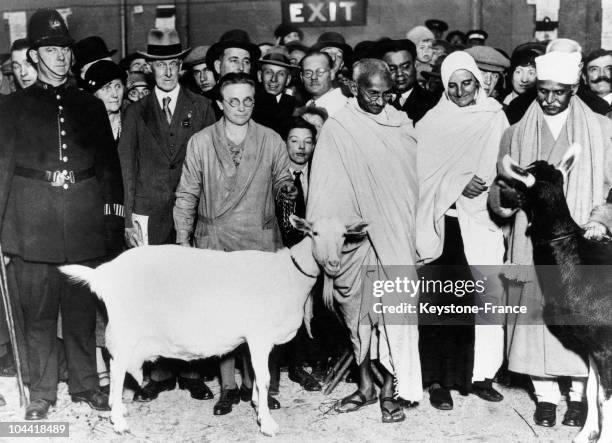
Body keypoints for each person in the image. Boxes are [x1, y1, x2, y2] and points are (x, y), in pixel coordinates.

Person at [0, 8, 118, 420]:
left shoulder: (90, 106)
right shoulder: (12, 108)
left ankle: (87, 386)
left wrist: (111, 224)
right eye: (51, 50)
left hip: (84, 224)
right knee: (38, 317)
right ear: (34, 56)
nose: (61, 57)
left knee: (82, 313)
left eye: (64, 49)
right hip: (32, 226)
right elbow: (1, 171)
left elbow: (109, 170)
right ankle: (42, 394)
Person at [488, 50, 612, 428]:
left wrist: (601, 219)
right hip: (533, 245)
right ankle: (544, 395)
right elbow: (499, 189)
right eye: (543, 91)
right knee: (533, 315)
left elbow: (610, 189)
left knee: (584, 318)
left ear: (575, 88)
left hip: (582, 247)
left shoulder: (603, 130)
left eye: (559, 91)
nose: (550, 99)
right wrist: (507, 198)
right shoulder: (515, 131)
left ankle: (578, 396)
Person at [307, 58, 422, 423]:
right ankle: (365, 388)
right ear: (353, 88)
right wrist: (345, 226)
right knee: (357, 318)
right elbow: (325, 188)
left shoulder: (402, 125)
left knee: (392, 316)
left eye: (387, 94)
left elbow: (410, 186)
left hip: (392, 236)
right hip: (354, 240)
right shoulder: (339, 129)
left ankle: (390, 391)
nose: (380, 101)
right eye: (372, 93)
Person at [173, 72, 295, 415]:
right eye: (233, 100)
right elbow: (186, 196)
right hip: (216, 242)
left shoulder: (271, 140)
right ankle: (228, 387)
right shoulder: (200, 142)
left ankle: (260, 386)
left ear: (254, 102)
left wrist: (288, 190)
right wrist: (183, 242)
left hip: (259, 242)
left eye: (247, 100)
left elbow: (284, 181)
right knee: (222, 317)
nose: (240, 107)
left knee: (262, 318)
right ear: (219, 103)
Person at [118, 28, 216, 402]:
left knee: (191, 290)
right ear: (150, 67)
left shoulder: (200, 106)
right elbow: (127, 167)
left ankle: (191, 370)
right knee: (154, 291)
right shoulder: (135, 110)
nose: (167, 71)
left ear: (181, 66)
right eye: (160, 65)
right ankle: (158, 371)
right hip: (149, 211)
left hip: (189, 211)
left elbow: (208, 164)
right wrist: (128, 219)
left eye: (174, 64)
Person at [416, 51, 508, 410]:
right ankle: (438, 380)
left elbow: (500, 166)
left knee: (487, 299)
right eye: (451, 85)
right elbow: (420, 175)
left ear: (477, 81)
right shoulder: (431, 122)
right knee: (441, 302)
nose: (459, 91)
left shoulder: (494, 116)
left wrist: (479, 182)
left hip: (482, 222)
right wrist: (458, 180)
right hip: (443, 223)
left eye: (466, 83)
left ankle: (480, 375)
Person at [376, 39, 437, 124]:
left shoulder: (433, 103)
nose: (399, 74)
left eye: (405, 66)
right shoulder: (374, 102)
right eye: (392, 69)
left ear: (415, 65)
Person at [206, 29, 261, 118]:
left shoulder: (263, 101)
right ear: (218, 66)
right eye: (234, 61)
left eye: (246, 62)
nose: (241, 68)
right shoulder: (205, 102)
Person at [252, 48, 297, 138]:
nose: (273, 79)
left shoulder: (295, 107)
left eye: (280, 74)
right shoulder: (250, 103)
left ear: (288, 80)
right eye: (268, 72)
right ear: (259, 76)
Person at [301, 51, 348, 117]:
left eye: (320, 72)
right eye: (308, 73)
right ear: (301, 77)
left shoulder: (342, 108)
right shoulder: (309, 104)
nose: (313, 77)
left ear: (332, 74)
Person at [577, 49, 612, 115]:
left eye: (609, 69)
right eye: (594, 69)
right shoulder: (576, 107)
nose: (602, 75)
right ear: (584, 78)